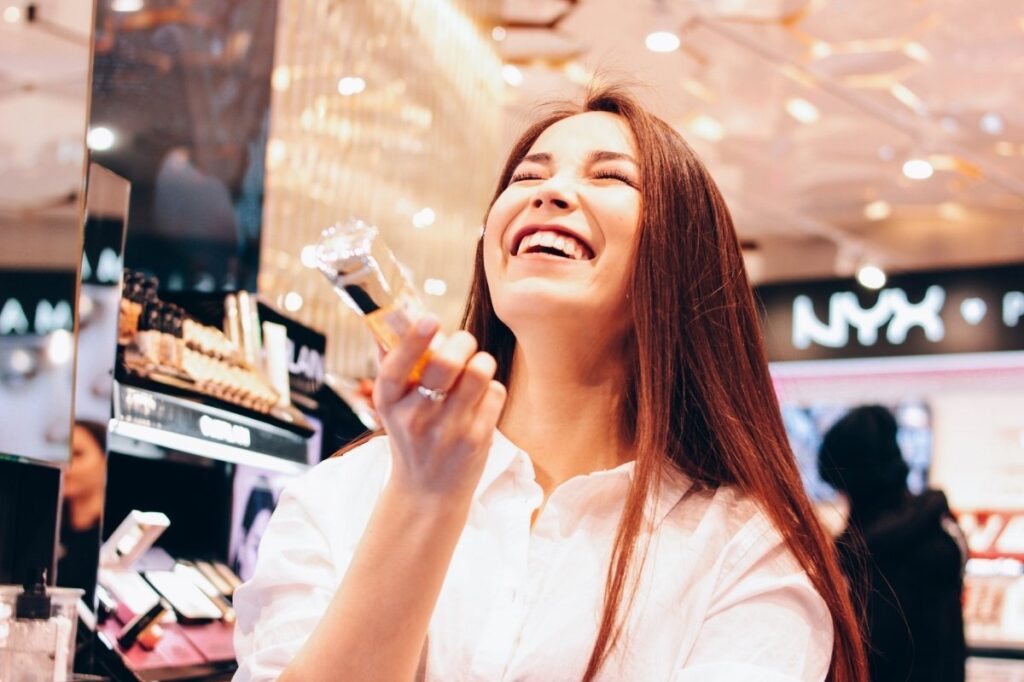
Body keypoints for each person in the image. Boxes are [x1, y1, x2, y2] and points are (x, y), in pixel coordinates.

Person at [233, 84, 867, 681]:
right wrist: (423, 496)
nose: (551, 192)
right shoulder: (340, 495)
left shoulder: (744, 549)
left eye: (611, 176)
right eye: (527, 177)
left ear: (682, 256)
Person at [819, 405, 967, 682]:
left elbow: (871, 657)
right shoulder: (936, 529)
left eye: (839, 487)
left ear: (853, 482)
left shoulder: (874, 555)